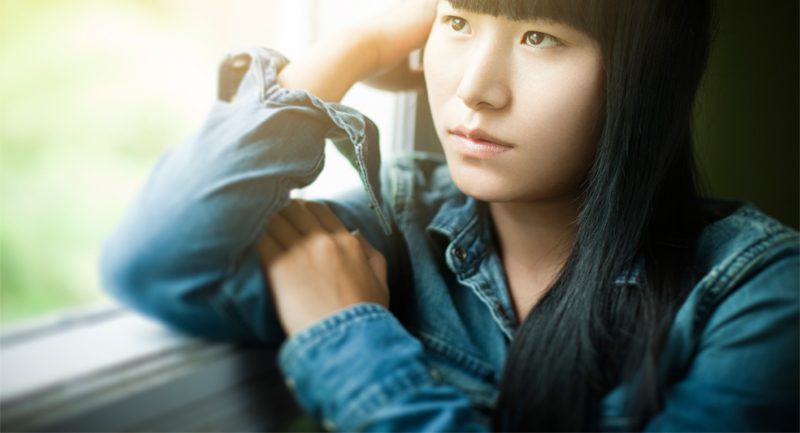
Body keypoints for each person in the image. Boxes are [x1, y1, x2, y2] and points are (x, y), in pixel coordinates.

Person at [100, 0, 799, 430]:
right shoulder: (400, 225)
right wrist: (355, 47)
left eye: (540, 37)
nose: (474, 90)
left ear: (645, 75)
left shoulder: (757, 294)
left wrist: (348, 338)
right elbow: (155, 264)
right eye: (458, 21)